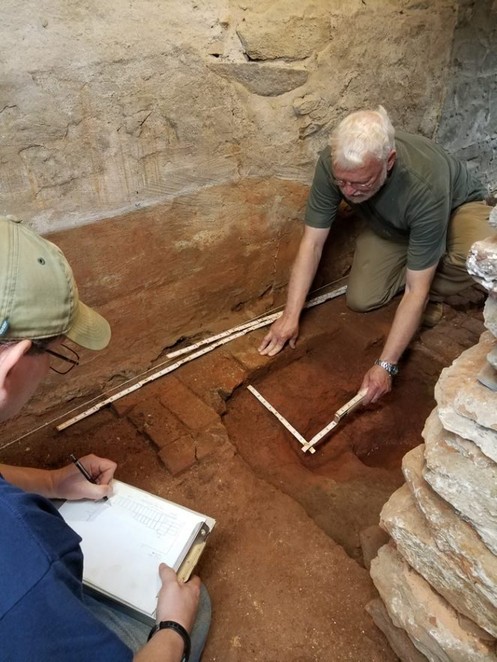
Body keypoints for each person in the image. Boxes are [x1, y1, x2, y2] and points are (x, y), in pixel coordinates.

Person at [0, 216, 210, 661]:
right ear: (13, 361)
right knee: (194, 607)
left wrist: (55, 483)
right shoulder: (22, 551)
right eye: (55, 351)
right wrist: (173, 627)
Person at [259, 106, 492, 404]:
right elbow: (313, 242)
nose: (349, 191)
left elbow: (414, 288)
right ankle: (418, 272)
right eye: (342, 182)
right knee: (362, 298)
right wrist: (290, 316)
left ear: (389, 162)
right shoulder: (333, 166)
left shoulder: (424, 185)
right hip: (397, 225)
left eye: (360, 182)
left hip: (454, 212)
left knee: (472, 255)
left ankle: (431, 295)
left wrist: (386, 366)